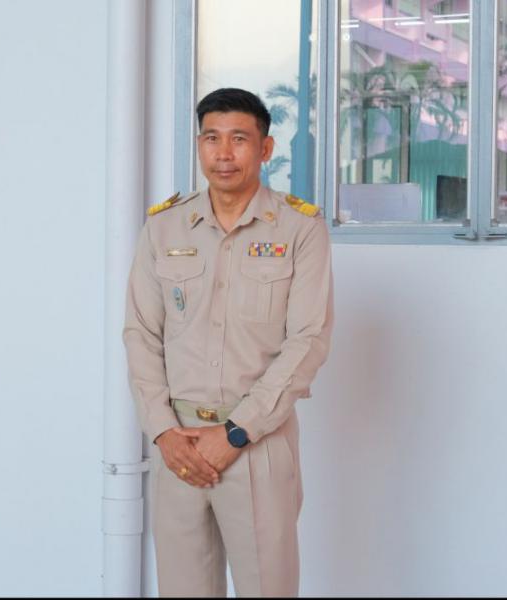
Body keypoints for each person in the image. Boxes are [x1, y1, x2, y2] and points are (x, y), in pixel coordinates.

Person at [123, 87, 333, 597]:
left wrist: (236, 433)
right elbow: (141, 333)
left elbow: (308, 341)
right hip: (179, 445)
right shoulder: (163, 227)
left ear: (265, 149)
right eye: (211, 138)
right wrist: (163, 431)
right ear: (199, 145)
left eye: (239, 139)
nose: (223, 153)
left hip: (258, 445)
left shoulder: (299, 228)